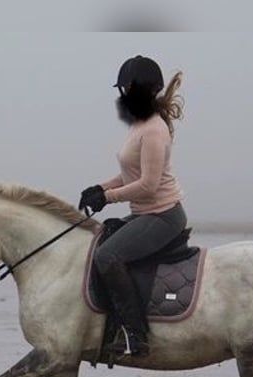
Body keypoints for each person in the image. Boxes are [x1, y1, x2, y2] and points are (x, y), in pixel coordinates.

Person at [79, 55, 187, 357]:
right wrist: (99, 188)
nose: (122, 95)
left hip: (163, 215)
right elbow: (130, 173)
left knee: (108, 256)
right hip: (145, 213)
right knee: (101, 239)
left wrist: (108, 199)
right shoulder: (140, 125)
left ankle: (135, 335)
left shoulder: (153, 129)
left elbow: (148, 185)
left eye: (125, 88)